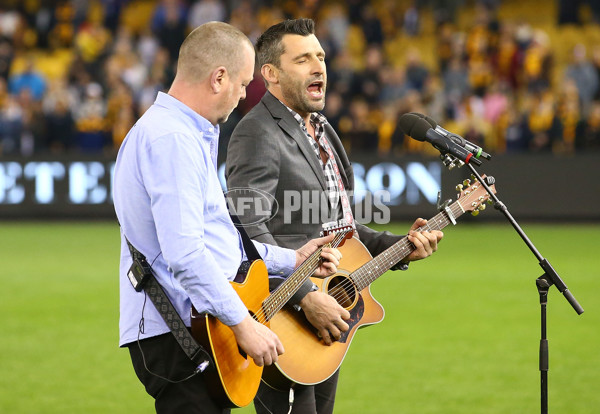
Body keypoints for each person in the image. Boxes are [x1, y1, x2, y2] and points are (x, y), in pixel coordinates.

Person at [113, 22, 342, 414]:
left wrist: (294, 259)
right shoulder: (173, 139)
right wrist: (243, 323)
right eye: (242, 84)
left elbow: (221, 244)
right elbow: (184, 254)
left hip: (196, 328)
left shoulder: (181, 133)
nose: (243, 95)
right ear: (219, 78)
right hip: (182, 333)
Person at [226, 18, 443, 414]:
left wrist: (403, 246)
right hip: (285, 321)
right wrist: (306, 297)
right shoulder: (256, 132)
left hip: (325, 321)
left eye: (321, 56)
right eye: (303, 58)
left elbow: (343, 228)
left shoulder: (323, 130)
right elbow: (245, 233)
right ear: (270, 74)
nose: (318, 67)